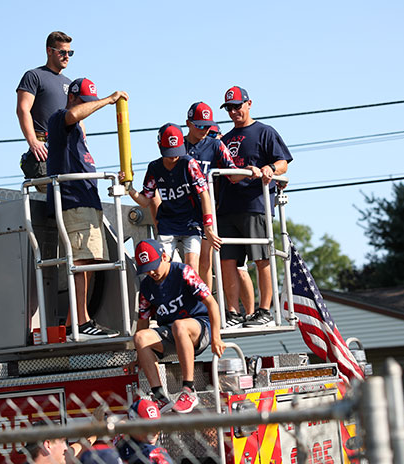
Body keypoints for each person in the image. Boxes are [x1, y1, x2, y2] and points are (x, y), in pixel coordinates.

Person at [46, 77, 128, 339]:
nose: (90, 108)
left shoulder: (78, 132)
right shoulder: (60, 119)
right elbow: (72, 114)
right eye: (86, 102)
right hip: (73, 202)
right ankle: (80, 323)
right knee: (81, 262)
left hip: (86, 202)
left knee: (88, 263)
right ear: (71, 98)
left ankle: (75, 322)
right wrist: (107, 100)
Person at [218, 86, 293, 328]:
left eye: (237, 106)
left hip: (255, 205)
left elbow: (283, 163)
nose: (234, 111)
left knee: (261, 258)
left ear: (249, 104)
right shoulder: (224, 139)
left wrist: (272, 169)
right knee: (228, 261)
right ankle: (232, 312)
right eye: (229, 108)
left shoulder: (265, 132)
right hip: (226, 207)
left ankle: (264, 311)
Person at [132, 239, 225, 414]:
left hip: (198, 328)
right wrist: (139, 354)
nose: (151, 272)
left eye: (154, 265)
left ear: (165, 257)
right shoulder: (146, 287)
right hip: (172, 333)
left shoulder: (184, 272)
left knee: (179, 326)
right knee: (140, 337)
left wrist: (216, 337)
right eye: (146, 269)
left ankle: (189, 390)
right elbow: (143, 321)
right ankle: (160, 397)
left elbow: (212, 304)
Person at [182, 104, 253, 325]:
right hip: (179, 213)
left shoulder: (215, 145)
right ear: (189, 124)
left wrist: (254, 171)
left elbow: (232, 172)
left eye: (208, 126)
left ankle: (204, 309)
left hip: (207, 212)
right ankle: (189, 307)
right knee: (183, 265)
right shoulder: (178, 146)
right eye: (200, 126)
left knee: (207, 263)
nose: (204, 130)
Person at [126, 124, 222, 274]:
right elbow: (145, 201)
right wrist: (129, 189)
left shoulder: (189, 163)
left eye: (177, 151)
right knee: (163, 268)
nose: (174, 156)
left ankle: (193, 296)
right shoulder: (154, 168)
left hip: (192, 223)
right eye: (169, 152)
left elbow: (204, 194)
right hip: (168, 224)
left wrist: (208, 226)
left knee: (191, 268)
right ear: (159, 146)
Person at [16, 31, 74, 192]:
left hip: (65, 150)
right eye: (62, 52)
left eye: (70, 52)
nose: (67, 56)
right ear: (49, 51)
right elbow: (22, 109)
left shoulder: (69, 84)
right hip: (44, 151)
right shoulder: (34, 76)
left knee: (71, 201)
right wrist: (33, 142)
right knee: (53, 201)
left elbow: (75, 118)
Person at [113, 398, 174, 463]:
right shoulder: (153, 453)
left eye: (157, 426)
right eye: (147, 427)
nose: (154, 432)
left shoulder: (122, 441)